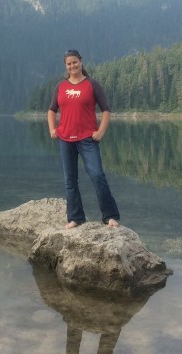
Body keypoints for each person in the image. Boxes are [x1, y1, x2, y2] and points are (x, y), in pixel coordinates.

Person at [47, 49, 120, 229]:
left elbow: (106, 109)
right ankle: (75, 217)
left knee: (97, 175)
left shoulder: (92, 84)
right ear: (66, 66)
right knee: (70, 180)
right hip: (65, 139)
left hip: (88, 138)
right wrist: (52, 129)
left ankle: (110, 216)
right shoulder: (60, 86)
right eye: (69, 63)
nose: (72, 66)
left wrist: (100, 132)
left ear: (81, 62)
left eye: (75, 62)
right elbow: (52, 110)